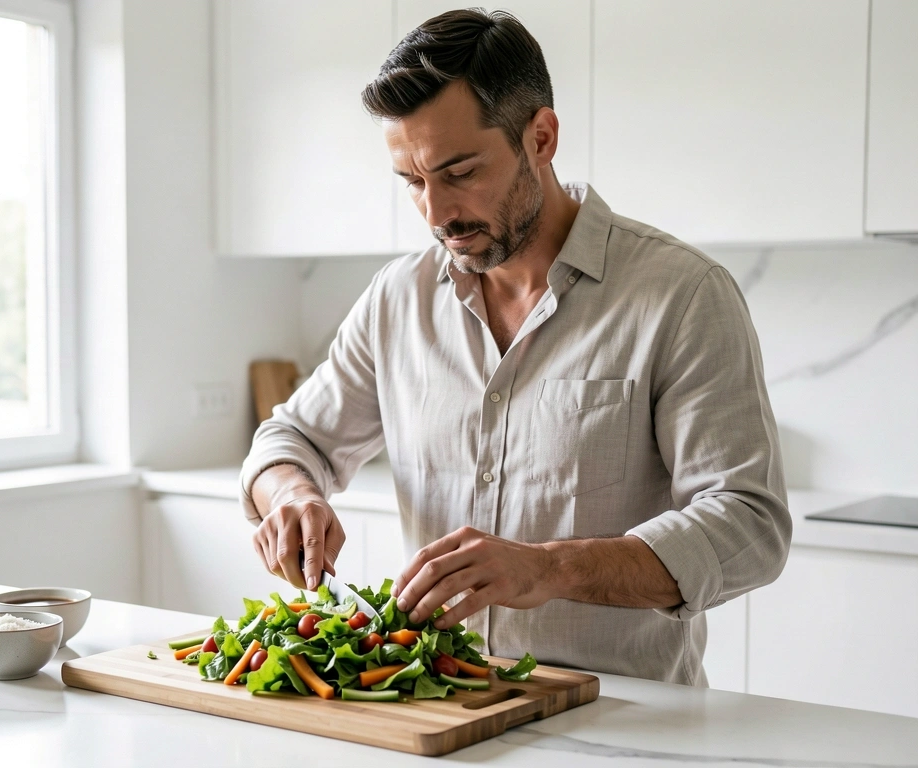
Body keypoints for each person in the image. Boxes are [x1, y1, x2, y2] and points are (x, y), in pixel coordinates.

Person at [239, 9, 791, 686]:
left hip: (627, 723)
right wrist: (292, 494)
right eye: (412, 182)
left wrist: (548, 568)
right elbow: (291, 439)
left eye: (460, 170)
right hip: (442, 710)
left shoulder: (681, 294)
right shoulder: (397, 300)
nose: (436, 213)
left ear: (541, 137)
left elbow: (749, 524)